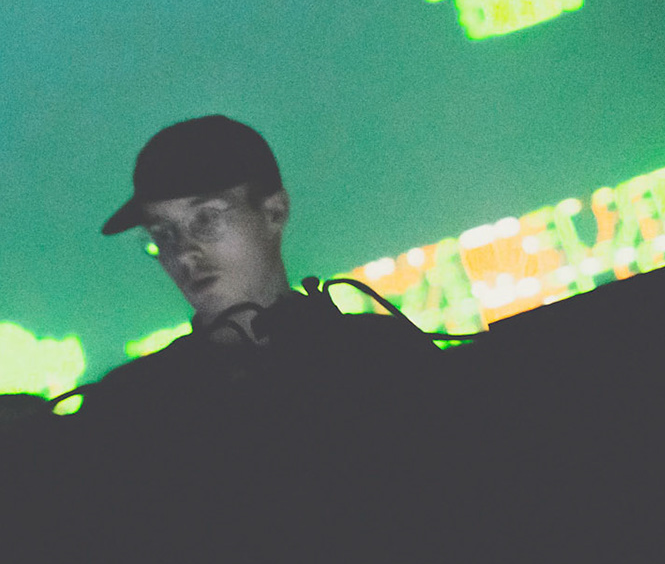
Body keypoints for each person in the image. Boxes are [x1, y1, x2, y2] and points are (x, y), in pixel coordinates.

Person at [84, 114, 437, 422]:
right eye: (163, 234)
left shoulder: (386, 359)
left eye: (205, 219)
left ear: (274, 212)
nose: (184, 253)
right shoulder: (127, 406)